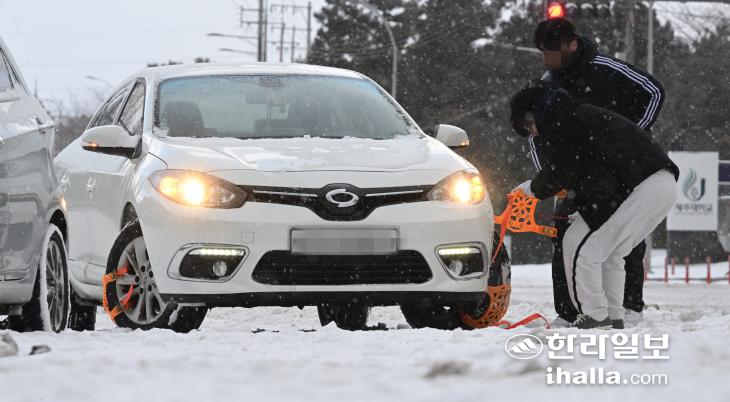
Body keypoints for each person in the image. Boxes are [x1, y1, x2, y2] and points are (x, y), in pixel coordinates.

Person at [530, 17, 665, 326]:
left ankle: (628, 307)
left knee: (625, 237)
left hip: (625, 171)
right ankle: (569, 311)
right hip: (578, 174)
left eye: (551, 51)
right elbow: (535, 134)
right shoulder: (548, 85)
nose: (547, 59)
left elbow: (655, 92)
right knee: (565, 235)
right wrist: (550, 177)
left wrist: (631, 136)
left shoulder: (608, 68)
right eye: (542, 52)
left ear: (572, 44)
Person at [510, 82, 678, 329]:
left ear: (533, 113)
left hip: (641, 186)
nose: (533, 134)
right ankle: (614, 316)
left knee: (587, 252)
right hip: (661, 184)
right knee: (613, 253)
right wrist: (587, 211)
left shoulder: (564, 121)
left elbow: (564, 168)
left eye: (528, 127)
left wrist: (533, 189)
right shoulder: (578, 115)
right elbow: (595, 174)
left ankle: (596, 315)